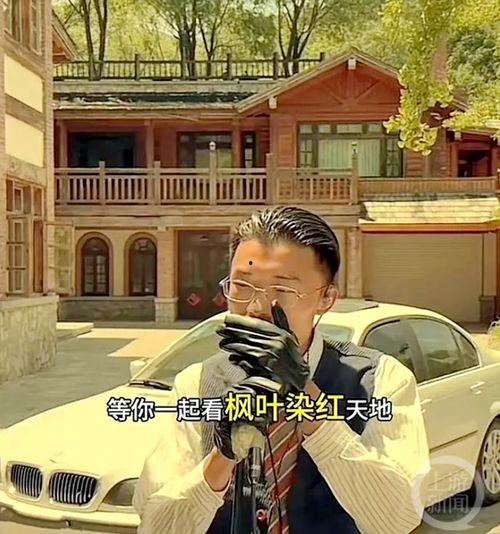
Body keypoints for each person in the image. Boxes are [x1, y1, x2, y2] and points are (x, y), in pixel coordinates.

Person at [133, 206, 430, 534]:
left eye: (283, 291)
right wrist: (224, 456)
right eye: (241, 286)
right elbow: (155, 527)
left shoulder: (379, 379)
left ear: (327, 299)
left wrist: (306, 396)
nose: (257, 308)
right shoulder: (197, 383)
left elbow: (397, 519)